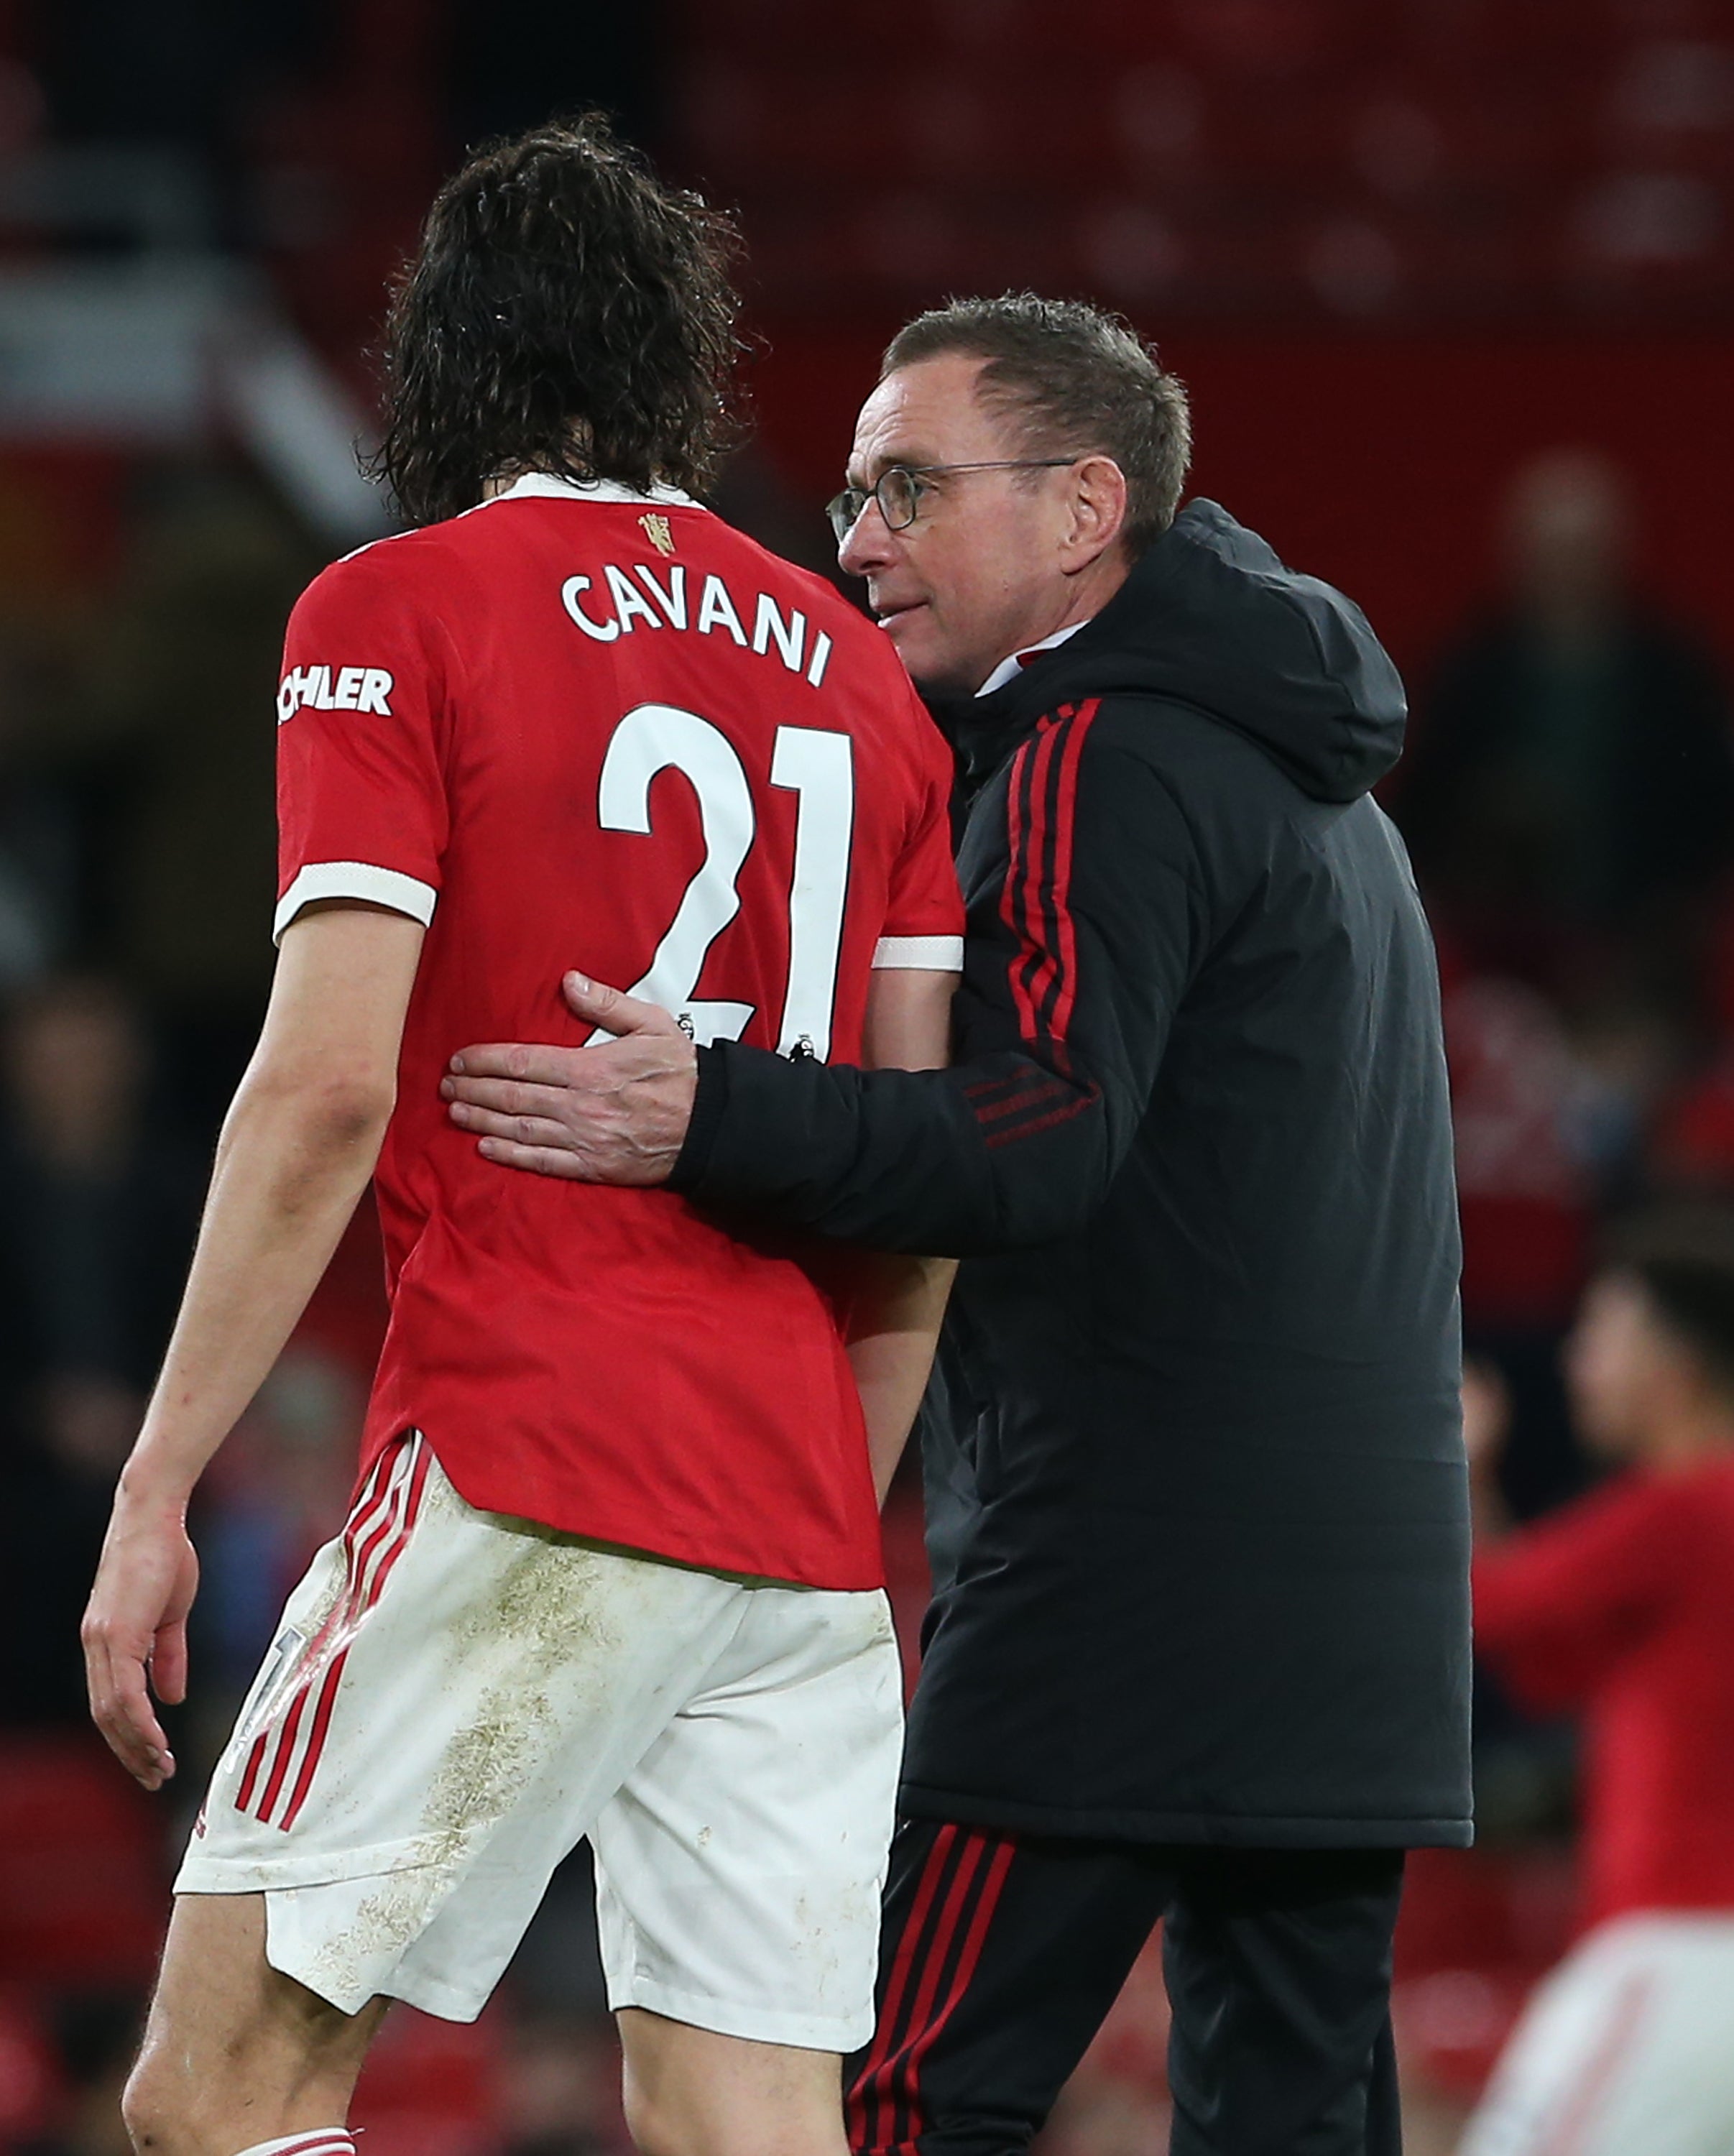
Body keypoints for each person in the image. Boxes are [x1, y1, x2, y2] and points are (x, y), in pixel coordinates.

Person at [441, 295, 1472, 2155]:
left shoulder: (1094, 756)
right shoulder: (1318, 779)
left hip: (1118, 1588)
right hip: (1353, 1607)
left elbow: (1035, 1133)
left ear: (1082, 509)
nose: (855, 541)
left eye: (908, 487)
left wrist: (710, 1106)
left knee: (896, 2096)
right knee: (1295, 2111)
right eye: (850, 492)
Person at [79, 117, 965, 2156]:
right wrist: (823, 1500)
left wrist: (160, 1482)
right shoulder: (865, 681)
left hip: (527, 1443)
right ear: (679, 361)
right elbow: (916, 1187)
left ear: (444, 358)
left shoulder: (392, 612)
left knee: (216, 2094)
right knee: (752, 2131)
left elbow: (320, 1091)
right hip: (796, 1524)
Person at [1459, 1213, 1734, 2156]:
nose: (1577, 1362)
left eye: (1602, 1335)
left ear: (1673, 1363)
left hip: (1688, 1945)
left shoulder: (1684, 1509)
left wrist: (1452, 1465)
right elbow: (1547, 1672)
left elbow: (1483, 1604)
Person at [1398, 449, 1734, 1000]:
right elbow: (1423, 807)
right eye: (1552, 552)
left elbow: (1708, 812)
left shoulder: (1673, 675)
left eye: (1581, 551)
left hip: (1642, 954)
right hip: (1499, 962)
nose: (1567, 570)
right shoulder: (1471, 675)